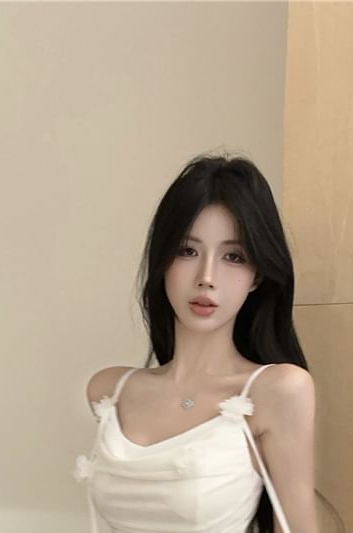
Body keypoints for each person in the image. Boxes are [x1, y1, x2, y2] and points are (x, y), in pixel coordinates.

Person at [74, 153, 329, 533]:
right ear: (163, 261)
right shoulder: (110, 389)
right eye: (187, 251)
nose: (206, 277)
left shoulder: (278, 390)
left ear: (257, 276)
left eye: (233, 256)